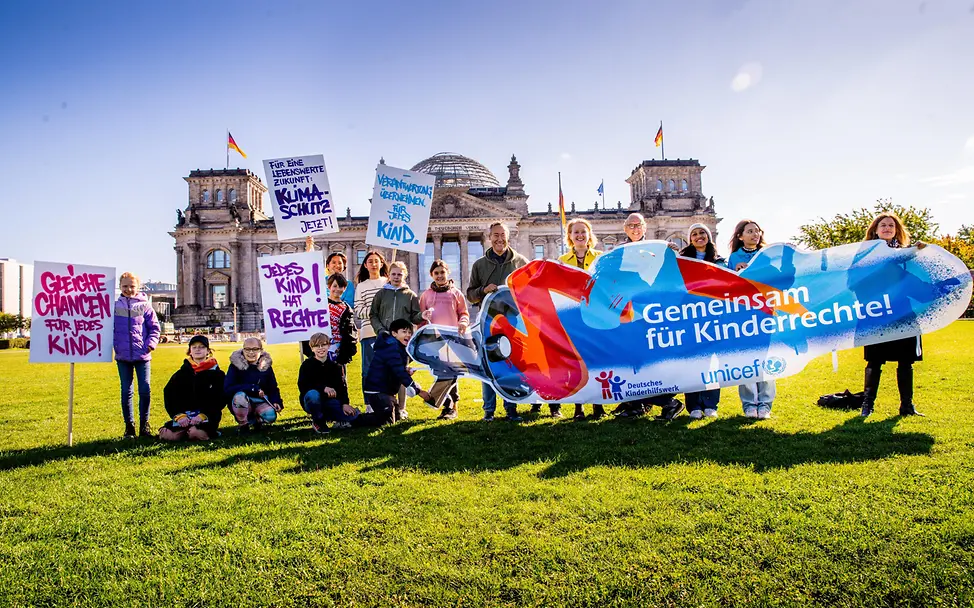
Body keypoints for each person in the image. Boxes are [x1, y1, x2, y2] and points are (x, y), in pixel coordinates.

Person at [612, 214, 684, 421]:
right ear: (625, 229)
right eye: (631, 226)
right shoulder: (618, 252)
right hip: (626, 313)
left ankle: (668, 402)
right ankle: (636, 405)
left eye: (638, 225)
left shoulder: (657, 249)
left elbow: (669, 273)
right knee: (630, 360)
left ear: (645, 228)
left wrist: (670, 253)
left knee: (650, 362)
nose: (635, 229)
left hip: (650, 313)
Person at [859, 212, 927, 418]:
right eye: (883, 225)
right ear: (875, 230)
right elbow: (856, 282)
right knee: (875, 360)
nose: (887, 228)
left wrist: (920, 252)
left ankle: (906, 406)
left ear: (897, 230)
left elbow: (915, 279)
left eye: (891, 225)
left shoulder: (906, 255)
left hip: (903, 312)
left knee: (906, 361)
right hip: (878, 313)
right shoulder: (865, 255)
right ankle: (867, 405)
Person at [466, 222, 530, 422]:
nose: (499, 239)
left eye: (502, 235)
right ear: (489, 238)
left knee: (511, 365)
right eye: (495, 235)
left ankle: (511, 409)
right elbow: (470, 295)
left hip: (513, 322)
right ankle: (489, 411)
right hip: (488, 323)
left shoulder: (521, 262)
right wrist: (483, 290)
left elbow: (529, 292)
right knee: (489, 365)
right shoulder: (479, 265)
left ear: (508, 237)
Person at [726, 219, 775, 419]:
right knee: (745, 357)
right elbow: (728, 286)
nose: (755, 234)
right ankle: (748, 404)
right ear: (740, 236)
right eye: (750, 231)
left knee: (765, 358)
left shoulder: (768, 255)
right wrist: (737, 273)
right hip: (744, 314)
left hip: (765, 312)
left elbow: (775, 280)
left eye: (757, 231)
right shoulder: (733, 257)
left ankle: (765, 403)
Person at [557, 218, 605, 420]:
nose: (580, 236)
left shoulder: (601, 258)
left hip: (596, 316)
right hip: (574, 317)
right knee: (577, 363)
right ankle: (579, 407)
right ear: (570, 236)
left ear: (589, 234)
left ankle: (599, 405)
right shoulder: (562, 261)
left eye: (583, 232)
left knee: (597, 361)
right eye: (576, 232)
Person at [679, 223, 724, 419]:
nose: (699, 236)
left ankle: (710, 404)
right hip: (690, 317)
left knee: (712, 362)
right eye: (695, 234)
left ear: (709, 236)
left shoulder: (720, 261)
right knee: (692, 362)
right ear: (690, 239)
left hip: (714, 317)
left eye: (702, 233)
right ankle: (694, 405)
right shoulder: (682, 262)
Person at [370, 260, 424, 418]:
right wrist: (380, 330)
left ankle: (401, 408)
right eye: (393, 274)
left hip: (402, 342)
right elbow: (373, 314)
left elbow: (415, 316)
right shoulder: (381, 294)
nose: (396, 277)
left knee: (401, 373)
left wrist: (423, 316)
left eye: (399, 274)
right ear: (389, 275)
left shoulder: (410, 295)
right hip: (385, 339)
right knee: (384, 372)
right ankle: (386, 404)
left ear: (404, 276)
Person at [419, 259, 470, 420]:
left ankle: (451, 406)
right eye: (436, 273)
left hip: (453, 339)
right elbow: (420, 319)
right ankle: (447, 404)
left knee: (452, 371)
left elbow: (464, 313)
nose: (440, 275)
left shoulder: (456, 293)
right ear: (431, 275)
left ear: (448, 273)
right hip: (434, 341)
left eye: (442, 272)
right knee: (441, 372)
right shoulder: (426, 295)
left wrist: (462, 322)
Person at [113, 272, 161, 439]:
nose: (128, 289)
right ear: (120, 287)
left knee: (145, 390)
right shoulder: (114, 307)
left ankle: (144, 425)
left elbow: (154, 328)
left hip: (142, 355)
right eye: (125, 286)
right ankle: (129, 427)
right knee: (126, 391)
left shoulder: (145, 305)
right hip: (122, 356)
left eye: (132, 286)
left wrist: (150, 345)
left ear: (138, 287)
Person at [360, 318, 431, 426]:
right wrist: (419, 391)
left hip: (386, 391)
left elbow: (394, 368)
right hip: (377, 391)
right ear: (394, 333)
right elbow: (398, 371)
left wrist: (404, 370)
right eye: (404, 332)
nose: (407, 335)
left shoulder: (397, 347)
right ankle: (353, 419)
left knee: (395, 419)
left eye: (409, 332)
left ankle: (381, 411)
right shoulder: (392, 347)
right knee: (386, 422)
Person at [159, 335, 225, 441]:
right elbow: (169, 395)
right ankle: (182, 430)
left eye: (201, 347)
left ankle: (202, 431)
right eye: (194, 347)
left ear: (208, 351)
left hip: (206, 416)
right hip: (184, 416)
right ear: (190, 351)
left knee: (196, 434)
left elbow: (220, 398)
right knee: (168, 436)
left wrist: (203, 415)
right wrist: (179, 416)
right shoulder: (181, 374)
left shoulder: (217, 374)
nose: (197, 349)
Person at [299, 332, 359, 434]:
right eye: (317, 346)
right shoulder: (307, 365)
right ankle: (318, 421)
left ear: (329, 346)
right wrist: (323, 388)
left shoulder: (334, 366)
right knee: (313, 395)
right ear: (312, 348)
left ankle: (332, 416)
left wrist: (345, 403)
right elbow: (303, 386)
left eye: (323, 345)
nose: (321, 348)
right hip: (312, 400)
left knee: (353, 416)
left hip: (329, 400)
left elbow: (341, 387)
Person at [224, 337, 283, 433]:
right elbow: (228, 388)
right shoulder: (234, 366)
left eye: (255, 349)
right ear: (243, 350)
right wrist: (252, 388)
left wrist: (276, 401)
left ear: (261, 350)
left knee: (270, 417)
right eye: (247, 349)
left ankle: (257, 421)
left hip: (260, 400)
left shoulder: (266, 366)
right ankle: (243, 424)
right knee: (239, 397)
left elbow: (273, 387)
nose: (251, 352)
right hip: (241, 400)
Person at [354, 250, 389, 407]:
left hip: (388, 333)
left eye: (376, 261)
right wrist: (376, 312)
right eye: (370, 261)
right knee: (368, 370)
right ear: (365, 265)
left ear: (381, 263)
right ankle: (369, 404)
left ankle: (388, 402)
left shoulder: (389, 283)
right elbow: (359, 311)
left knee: (389, 368)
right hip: (368, 332)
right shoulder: (361, 286)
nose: (374, 264)